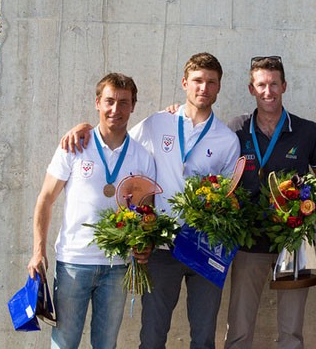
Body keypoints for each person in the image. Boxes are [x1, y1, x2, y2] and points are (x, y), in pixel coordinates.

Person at [61, 53, 241, 349]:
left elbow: (229, 196)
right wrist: (83, 129)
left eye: (211, 82)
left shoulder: (226, 139)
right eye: (197, 81)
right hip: (160, 247)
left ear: (219, 88)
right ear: (185, 83)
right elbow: (117, 141)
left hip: (205, 247)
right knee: (153, 336)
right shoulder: (157, 123)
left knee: (205, 337)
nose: (203, 88)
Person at [27, 73, 156, 349]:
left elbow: (147, 214)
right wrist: (38, 250)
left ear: (133, 106)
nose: (115, 109)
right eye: (109, 101)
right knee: (65, 342)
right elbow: (45, 200)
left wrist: (146, 243)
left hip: (118, 267)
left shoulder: (142, 156)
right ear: (98, 102)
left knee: (106, 344)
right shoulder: (73, 147)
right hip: (74, 262)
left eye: (124, 102)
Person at [224, 56, 316, 349]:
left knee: (291, 331)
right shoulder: (236, 129)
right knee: (239, 329)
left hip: (293, 242)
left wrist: (308, 209)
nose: (267, 91)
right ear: (251, 89)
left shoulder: (308, 131)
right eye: (261, 85)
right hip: (248, 243)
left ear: (284, 86)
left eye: (273, 84)